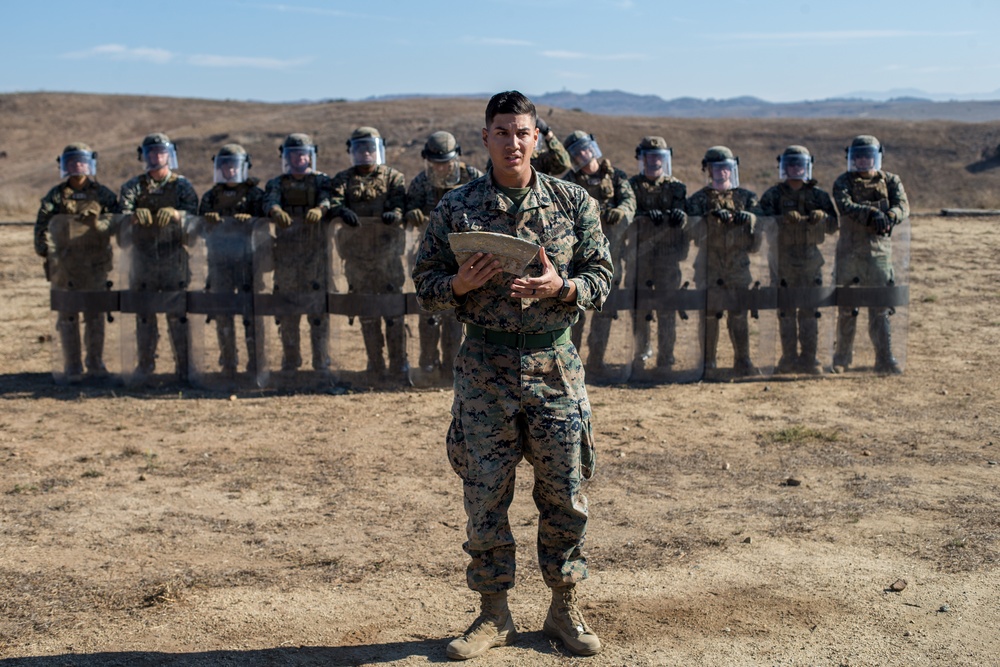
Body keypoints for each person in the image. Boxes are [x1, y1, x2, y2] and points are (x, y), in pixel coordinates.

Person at [412, 90, 612, 660]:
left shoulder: (573, 202)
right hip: (485, 370)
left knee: (565, 492)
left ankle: (563, 607)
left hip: (555, 367)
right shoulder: (458, 207)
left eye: (522, 131)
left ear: (537, 138)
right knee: (485, 492)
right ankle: (492, 614)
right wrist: (458, 287)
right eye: (502, 131)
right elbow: (424, 282)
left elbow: (602, 274)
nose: (513, 141)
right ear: (486, 138)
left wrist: (563, 287)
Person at [329, 126, 408, 382]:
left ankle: (399, 365)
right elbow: (332, 201)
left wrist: (394, 214)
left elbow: (401, 204)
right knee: (367, 314)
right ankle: (375, 365)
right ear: (352, 151)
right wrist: (341, 212)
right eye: (360, 148)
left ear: (378, 149)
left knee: (393, 311)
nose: (365, 153)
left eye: (370, 148)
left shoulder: (393, 177)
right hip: (357, 259)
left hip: (387, 256)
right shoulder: (343, 179)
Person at [35, 143, 119, 381]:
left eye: (82, 161)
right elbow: (42, 228)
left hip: (95, 264)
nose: (77, 166)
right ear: (64, 165)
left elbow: (118, 221)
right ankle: (72, 365)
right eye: (72, 162)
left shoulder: (103, 195)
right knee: (68, 316)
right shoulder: (56, 196)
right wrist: (50, 255)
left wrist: (100, 223)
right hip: (66, 266)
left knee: (95, 315)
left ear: (90, 164)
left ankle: (95, 363)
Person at [119, 133, 199, 382]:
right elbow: (120, 216)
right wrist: (133, 216)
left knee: (178, 314)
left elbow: (196, 220)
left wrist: (177, 214)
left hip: (173, 257)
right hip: (142, 258)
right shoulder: (133, 186)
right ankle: (145, 366)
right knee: (144, 315)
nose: (156, 157)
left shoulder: (182, 186)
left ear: (169, 155)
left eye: (160, 152)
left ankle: (184, 368)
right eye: (151, 152)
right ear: (143, 156)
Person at [405, 131, 484, 380]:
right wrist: (412, 214)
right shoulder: (420, 182)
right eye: (436, 164)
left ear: (456, 158)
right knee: (429, 311)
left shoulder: (473, 177)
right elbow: (407, 207)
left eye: (446, 163)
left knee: (455, 316)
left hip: (464, 258)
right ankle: (427, 364)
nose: (441, 168)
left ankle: (452, 365)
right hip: (430, 255)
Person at [831, 135, 909, 374]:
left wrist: (891, 216)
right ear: (851, 158)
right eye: (859, 157)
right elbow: (845, 205)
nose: (863, 161)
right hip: (849, 253)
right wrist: (870, 213)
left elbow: (903, 206)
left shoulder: (891, 181)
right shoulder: (843, 182)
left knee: (880, 307)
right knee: (847, 307)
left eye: (868, 156)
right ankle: (842, 358)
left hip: (879, 253)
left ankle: (885, 358)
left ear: (877, 156)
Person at [760, 145, 839, 374]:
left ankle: (809, 359)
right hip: (782, 262)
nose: (795, 169)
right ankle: (788, 358)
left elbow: (835, 226)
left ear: (807, 167)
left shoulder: (819, 195)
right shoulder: (774, 195)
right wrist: (781, 219)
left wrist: (822, 217)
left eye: (800, 165)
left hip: (810, 261)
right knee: (785, 311)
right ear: (784, 167)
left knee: (809, 311)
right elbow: (759, 222)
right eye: (791, 165)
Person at [562, 130, 636, 372]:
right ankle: (571, 362)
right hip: (577, 257)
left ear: (592, 146)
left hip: (610, 256)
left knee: (604, 312)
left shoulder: (616, 176)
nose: (583, 154)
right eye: (576, 152)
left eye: (585, 147)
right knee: (576, 311)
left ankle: (597, 361)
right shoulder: (568, 181)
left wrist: (621, 211)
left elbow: (629, 201)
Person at [686, 145, 763, 376]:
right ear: (707, 170)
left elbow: (762, 226)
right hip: (709, 264)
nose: (721, 172)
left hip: (738, 264)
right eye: (715, 168)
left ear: (732, 169)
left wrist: (747, 218)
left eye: (726, 168)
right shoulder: (698, 199)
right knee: (709, 315)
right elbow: (692, 233)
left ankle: (743, 360)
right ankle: (708, 363)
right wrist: (708, 219)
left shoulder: (747, 198)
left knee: (739, 314)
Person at [262, 133, 333, 374]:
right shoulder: (277, 183)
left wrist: (321, 209)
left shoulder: (321, 180)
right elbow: (268, 200)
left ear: (310, 156)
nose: (298, 158)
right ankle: (291, 361)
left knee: (318, 311)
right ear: (286, 157)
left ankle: (320, 361)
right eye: (293, 154)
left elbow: (330, 199)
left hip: (316, 256)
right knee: (288, 309)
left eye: (302, 154)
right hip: (286, 256)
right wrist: (275, 210)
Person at [198, 143, 265, 377]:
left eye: (234, 166)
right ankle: (228, 363)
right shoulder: (210, 197)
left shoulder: (255, 195)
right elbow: (198, 230)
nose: (230, 171)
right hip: (220, 262)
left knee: (252, 313)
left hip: (249, 263)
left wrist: (253, 221)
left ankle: (256, 363)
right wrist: (209, 222)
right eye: (225, 166)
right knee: (223, 313)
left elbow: (267, 223)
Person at [627, 136, 689, 374]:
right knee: (639, 308)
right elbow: (626, 215)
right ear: (641, 159)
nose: (654, 161)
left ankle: (666, 356)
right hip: (639, 256)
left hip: (668, 258)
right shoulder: (631, 186)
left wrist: (680, 217)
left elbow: (689, 219)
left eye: (659, 157)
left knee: (667, 309)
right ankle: (641, 353)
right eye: (649, 156)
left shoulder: (677, 187)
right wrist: (642, 216)